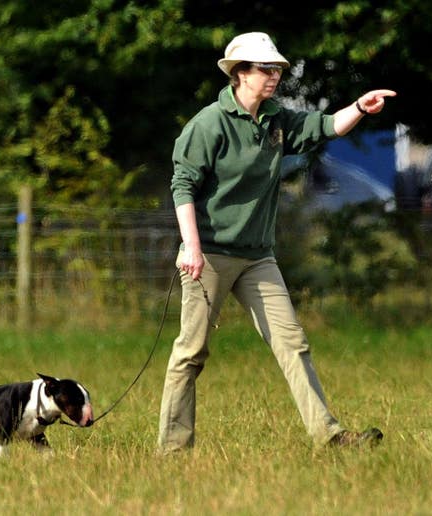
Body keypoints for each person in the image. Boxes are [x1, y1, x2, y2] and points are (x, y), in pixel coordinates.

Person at [158, 31, 396, 453]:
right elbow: (183, 187)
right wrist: (191, 247)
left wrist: (360, 107)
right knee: (190, 353)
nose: (274, 76)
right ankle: (173, 451)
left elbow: (324, 127)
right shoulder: (208, 124)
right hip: (208, 255)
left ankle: (330, 436)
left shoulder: (276, 120)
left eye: (277, 70)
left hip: (256, 257)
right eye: (266, 69)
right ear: (240, 74)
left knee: (292, 343)